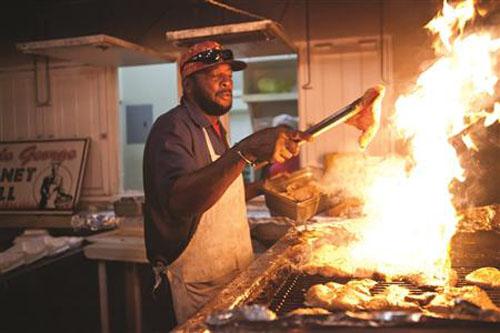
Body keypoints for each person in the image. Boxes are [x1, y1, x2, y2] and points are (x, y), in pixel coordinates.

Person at [143, 40, 378, 324]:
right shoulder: (172, 128)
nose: (226, 83)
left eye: (229, 77)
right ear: (188, 85)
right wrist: (247, 150)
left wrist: (267, 187)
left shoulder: (215, 128)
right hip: (194, 288)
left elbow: (219, 193)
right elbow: (181, 201)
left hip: (231, 279)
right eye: (215, 76)